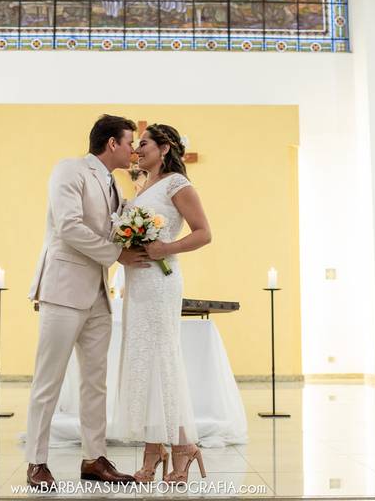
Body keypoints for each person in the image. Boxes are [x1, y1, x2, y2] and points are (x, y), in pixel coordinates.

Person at [25, 115, 149, 489]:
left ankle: (94, 459)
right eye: (130, 143)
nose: (133, 150)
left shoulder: (114, 185)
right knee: (49, 380)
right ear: (112, 143)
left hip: (98, 293)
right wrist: (117, 255)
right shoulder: (70, 169)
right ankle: (36, 462)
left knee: (95, 382)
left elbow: (121, 223)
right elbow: (69, 226)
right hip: (63, 289)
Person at [113, 123, 212, 483]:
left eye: (144, 144)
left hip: (160, 281)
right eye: (136, 145)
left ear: (165, 148)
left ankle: (184, 446)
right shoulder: (143, 186)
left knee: (162, 358)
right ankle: (154, 449)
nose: (137, 150)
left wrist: (166, 248)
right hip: (138, 282)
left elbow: (204, 233)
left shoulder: (177, 184)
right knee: (144, 360)